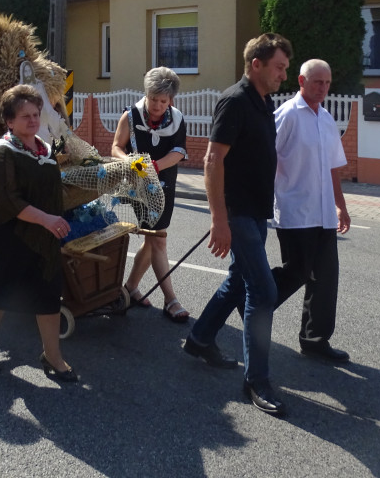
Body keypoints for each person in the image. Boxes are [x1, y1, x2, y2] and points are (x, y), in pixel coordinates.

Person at [183, 33, 293, 417]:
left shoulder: (263, 102)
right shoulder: (235, 101)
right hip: (238, 212)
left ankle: (199, 338)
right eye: (279, 67)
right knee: (262, 292)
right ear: (256, 64)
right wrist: (219, 219)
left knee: (238, 281)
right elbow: (213, 161)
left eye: (285, 68)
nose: (284, 75)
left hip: (256, 210)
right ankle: (256, 380)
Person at [0, 85, 77, 382]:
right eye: (24, 116)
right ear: (9, 121)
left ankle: (53, 356)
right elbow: (9, 201)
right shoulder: (4, 154)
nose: (32, 120)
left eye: (35, 114)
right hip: (8, 237)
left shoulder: (42, 147)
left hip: (42, 236)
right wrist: (46, 219)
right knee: (0, 296)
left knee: (48, 295)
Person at [271, 59, 351, 363]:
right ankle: (253, 301)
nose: (324, 88)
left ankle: (315, 340)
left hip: (323, 214)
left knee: (326, 277)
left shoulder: (327, 119)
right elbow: (267, 158)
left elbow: (332, 167)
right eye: (318, 82)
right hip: (295, 211)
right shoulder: (287, 115)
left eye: (328, 83)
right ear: (302, 82)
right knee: (297, 272)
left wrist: (340, 206)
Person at [112, 67, 190, 321]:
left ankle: (131, 287)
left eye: (163, 101)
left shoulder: (176, 118)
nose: (157, 105)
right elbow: (116, 147)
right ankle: (171, 300)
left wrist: (154, 167)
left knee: (152, 237)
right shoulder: (131, 116)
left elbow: (179, 152)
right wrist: (132, 163)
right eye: (153, 99)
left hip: (165, 182)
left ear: (171, 101)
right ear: (146, 94)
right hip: (138, 185)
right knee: (158, 239)